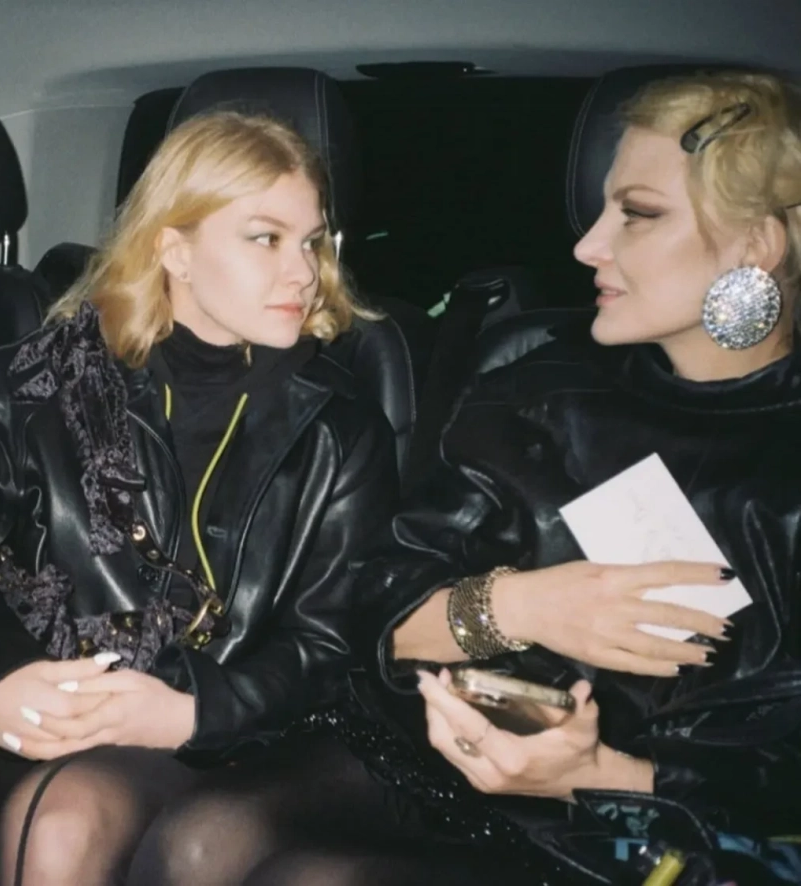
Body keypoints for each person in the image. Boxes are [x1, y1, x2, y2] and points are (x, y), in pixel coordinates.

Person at [125, 70, 801, 885]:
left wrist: (596, 775)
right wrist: (524, 607)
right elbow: (380, 607)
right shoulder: (539, 387)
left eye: (639, 214)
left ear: (757, 244)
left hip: (655, 823)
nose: (587, 245)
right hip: (434, 750)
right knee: (202, 839)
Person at [0, 109, 398, 886]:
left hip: (227, 730)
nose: (303, 272)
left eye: (311, 241)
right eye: (266, 238)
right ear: (174, 249)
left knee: (63, 823)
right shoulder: (39, 382)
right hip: (38, 692)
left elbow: (333, 643)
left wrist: (191, 710)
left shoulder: (340, 426)